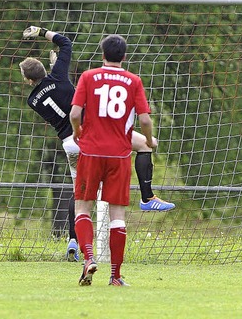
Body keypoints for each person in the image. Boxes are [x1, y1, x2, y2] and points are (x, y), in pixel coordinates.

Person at [19, 27, 174, 263]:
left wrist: (52, 75)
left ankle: (74, 241)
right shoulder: (65, 76)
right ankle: (147, 196)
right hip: (91, 134)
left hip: (70, 143)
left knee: (80, 195)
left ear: (29, 80)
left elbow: (53, 94)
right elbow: (65, 44)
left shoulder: (32, 99)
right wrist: (42, 33)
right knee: (143, 146)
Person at [70, 34, 155, 287]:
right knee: (118, 215)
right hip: (119, 155)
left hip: (91, 152)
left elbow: (75, 113)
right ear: (124, 57)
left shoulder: (88, 76)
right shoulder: (133, 81)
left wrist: (77, 131)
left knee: (83, 207)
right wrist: (149, 140)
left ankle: (88, 257)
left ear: (102, 54)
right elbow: (145, 120)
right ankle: (115, 276)